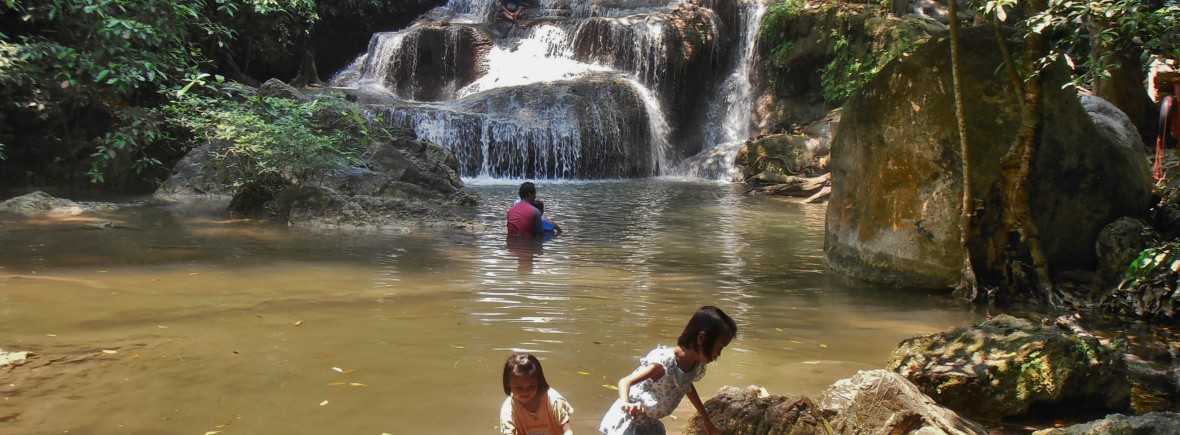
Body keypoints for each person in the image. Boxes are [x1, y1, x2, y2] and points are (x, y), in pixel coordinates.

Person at [599, 306, 737, 435]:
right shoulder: (665, 362)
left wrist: (706, 420)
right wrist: (626, 402)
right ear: (702, 338)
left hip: (650, 425)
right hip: (629, 422)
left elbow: (687, 386)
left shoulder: (696, 364)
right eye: (719, 347)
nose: (719, 353)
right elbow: (625, 381)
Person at [500, 353, 575, 435]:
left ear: (538, 382)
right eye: (519, 388)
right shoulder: (509, 409)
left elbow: (568, 430)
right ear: (508, 383)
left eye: (532, 386)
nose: (525, 392)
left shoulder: (553, 400)